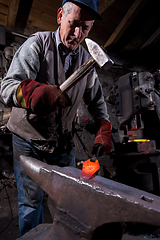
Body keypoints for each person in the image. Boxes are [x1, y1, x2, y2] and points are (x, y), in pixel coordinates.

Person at [1, 0, 112, 237]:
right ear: (60, 15)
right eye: (73, 24)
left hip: (62, 144)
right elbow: (6, 87)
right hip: (27, 142)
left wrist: (104, 125)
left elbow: (97, 101)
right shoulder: (37, 45)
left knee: (70, 201)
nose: (78, 33)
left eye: (86, 28)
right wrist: (30, 93)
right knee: (31, 205)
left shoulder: (87, 60)